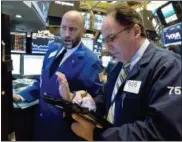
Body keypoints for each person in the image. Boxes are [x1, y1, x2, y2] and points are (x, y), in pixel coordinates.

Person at [57, 3, 182, 141]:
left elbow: (163, 131)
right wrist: (89, 102)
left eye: (111, 39)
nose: (107, 47)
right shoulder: (119, 65)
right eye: (104, 41)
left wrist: (98, 136)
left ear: (135, 31)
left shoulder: (168, 66)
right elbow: (105, 98)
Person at [13, 10, 102, 140]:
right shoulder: (52, 50)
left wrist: (70, 96)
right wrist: (21, 96)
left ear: (83, 31)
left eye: (72, 29)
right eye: (64, 28)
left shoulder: (92, 61)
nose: (66, 34)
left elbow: (93, 102)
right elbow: (42, 81)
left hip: (63, 131)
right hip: (41, 124)